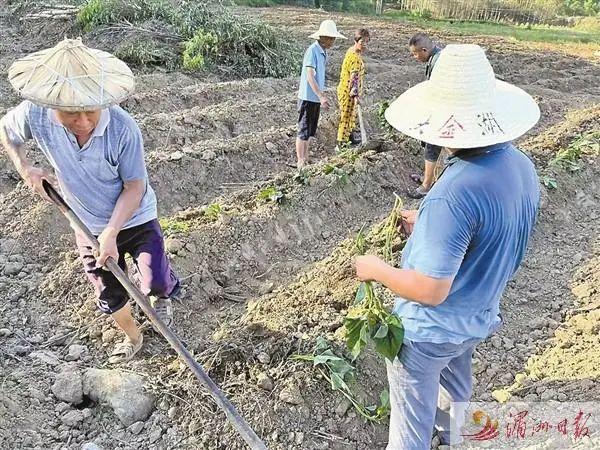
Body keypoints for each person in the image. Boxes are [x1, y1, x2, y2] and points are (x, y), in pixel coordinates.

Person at [357, 44, 541, 449]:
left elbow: (431, 290)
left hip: (429, 334)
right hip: (476, 317)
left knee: (409, 433)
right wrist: (427, 227)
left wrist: (374, 268)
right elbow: (494, 233)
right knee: (456, 397)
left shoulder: (452, 195)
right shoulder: (522, 168)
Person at [0, 38, 181, 364]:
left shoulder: (124, 130)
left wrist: (111, 233)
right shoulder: (36, 114)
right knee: (110, 292)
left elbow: (134, 187)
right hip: (85, 223)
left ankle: (161, 293)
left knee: (155, 279)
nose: (83, 121)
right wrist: (25, 167)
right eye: (70, 113)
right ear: (52, 104)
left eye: (90, 111)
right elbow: (7, 131)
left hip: (135, 217)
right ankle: (133, 337)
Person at [296, 19, 346, 168]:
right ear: (323, 37)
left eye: (333, 38)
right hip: (307, 97)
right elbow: (310, 76)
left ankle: (306, 158)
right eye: (331, 38)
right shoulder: (312, 50)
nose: (333, 41)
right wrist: (320, 95)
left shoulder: (323, 52)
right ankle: (300, 161)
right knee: (303, 130)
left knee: (310, 130)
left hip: (315, 99)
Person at [407, 32, 443, 199]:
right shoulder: (436, 58)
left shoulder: (439, 63)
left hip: (443, 111)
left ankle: (427, 186)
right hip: (442, 108)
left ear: (424, 50)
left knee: (432, 147)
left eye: (415, 53)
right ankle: (433, 179)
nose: (414, 57)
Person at [336, 28, 370, 150]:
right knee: (346, 116)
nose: (365, 45)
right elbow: (353, 78)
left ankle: (349, 137)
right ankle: (341, 143)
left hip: (345, 89)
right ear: (356, 41)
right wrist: (355, 94)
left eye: (367, 42)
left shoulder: (352, 51)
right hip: (348, 91)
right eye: (362, 42)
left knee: (351, 115)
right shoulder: (355, 57)